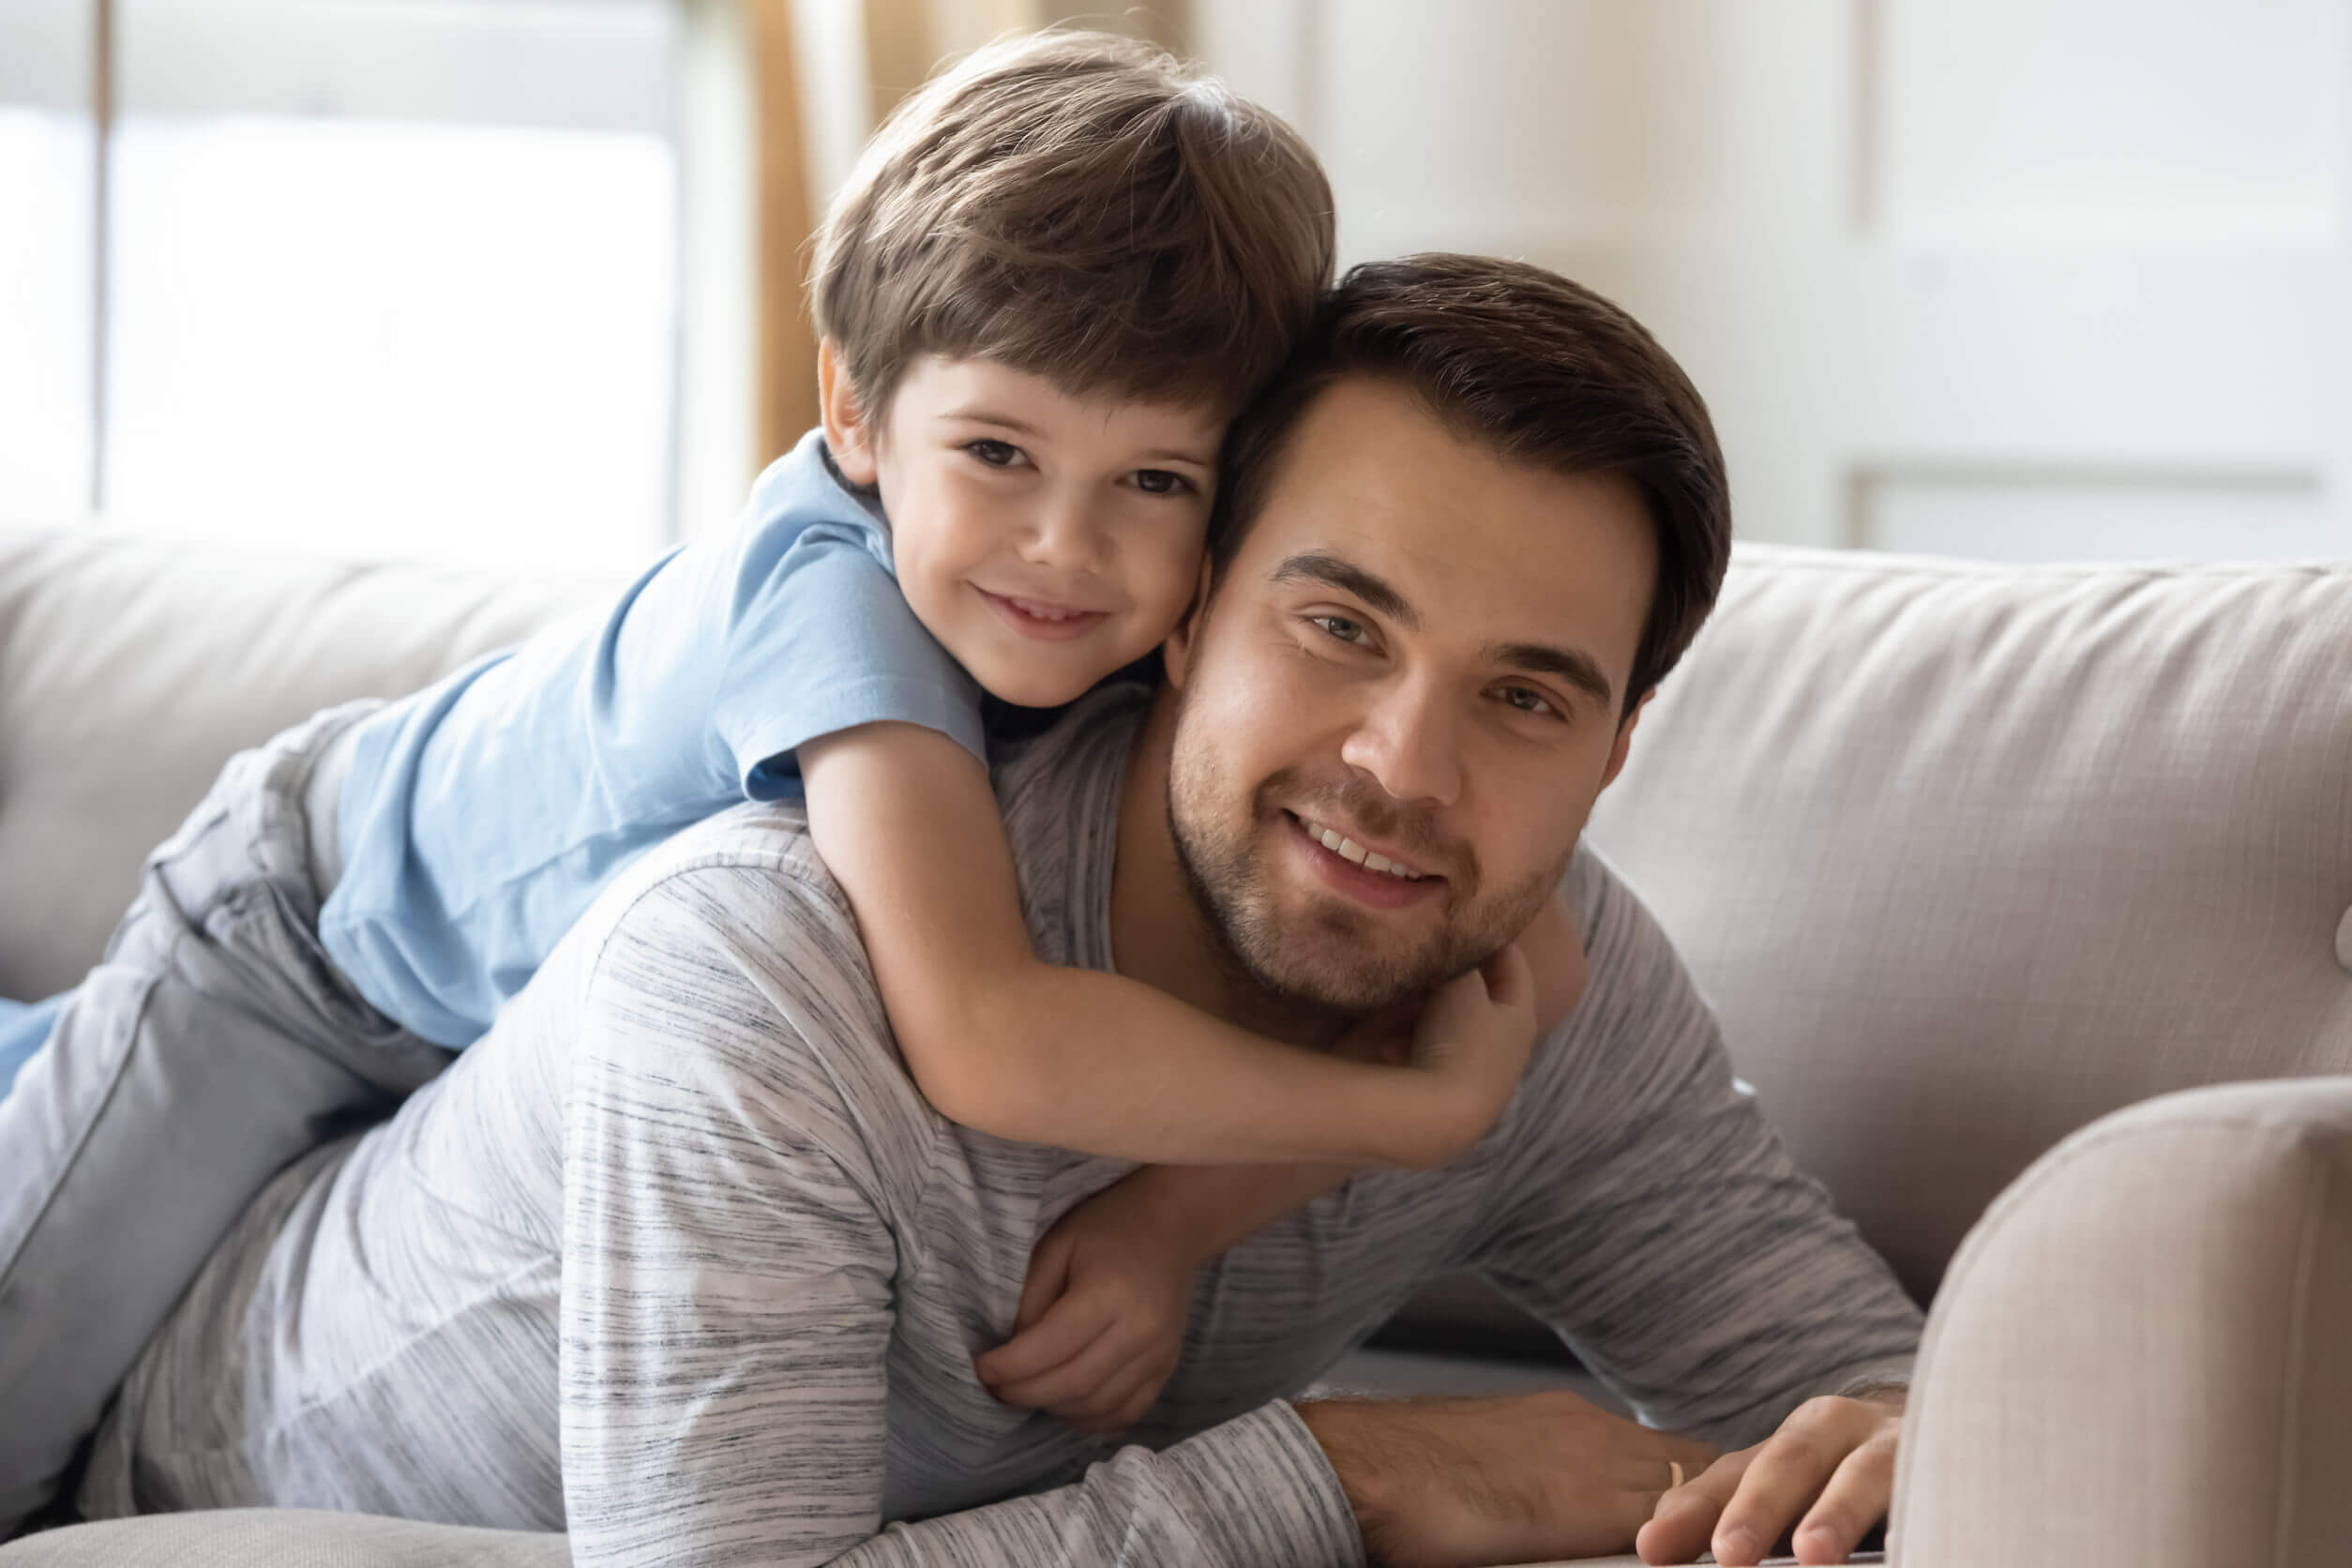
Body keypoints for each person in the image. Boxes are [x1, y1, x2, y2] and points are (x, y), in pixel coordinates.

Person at [71, 256, 1925, 1568]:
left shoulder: (1535, 983)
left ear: (1615, 744)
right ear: (1188, 609)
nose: (1405, 767)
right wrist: (1356, 1472)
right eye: (1338, 625)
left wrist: (1909, 1439)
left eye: (1525, 694)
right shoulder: (773, 968)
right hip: (151, 1477)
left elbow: (1882, 1399)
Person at [0, 33, 1581, 1536]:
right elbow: (986, 1032)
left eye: (1155, 481)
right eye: (998, 454)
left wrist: (1170, 1224)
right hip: (291, 948)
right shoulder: (831, 611)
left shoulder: (1124, 631)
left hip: (496, 1052)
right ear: (854, 411)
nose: (1065, 547)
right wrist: (1412, 1109)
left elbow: (1542, 946)